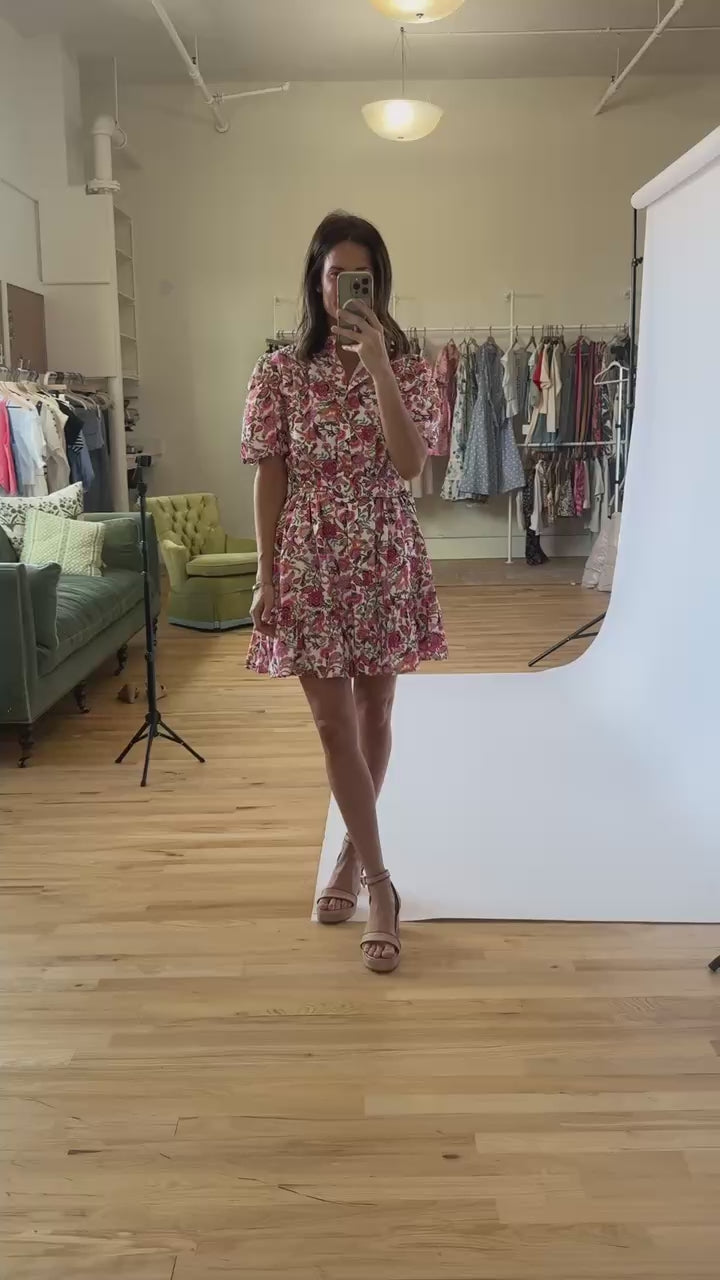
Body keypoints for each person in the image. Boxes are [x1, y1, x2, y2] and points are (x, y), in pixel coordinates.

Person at [241, 211, 447, 973]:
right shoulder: (278, 372)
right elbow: (270, 477)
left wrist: (380, 367)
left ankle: (351, 856)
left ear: (378, 283)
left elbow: (410, 465)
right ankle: (382, 885)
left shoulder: (411, 367)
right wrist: (265, 573)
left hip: (384, 552)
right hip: (310, 559)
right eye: (334, 275)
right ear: (317, 280)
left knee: (375, 713)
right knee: (334, 728)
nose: (345, 288)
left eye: (359, 276)